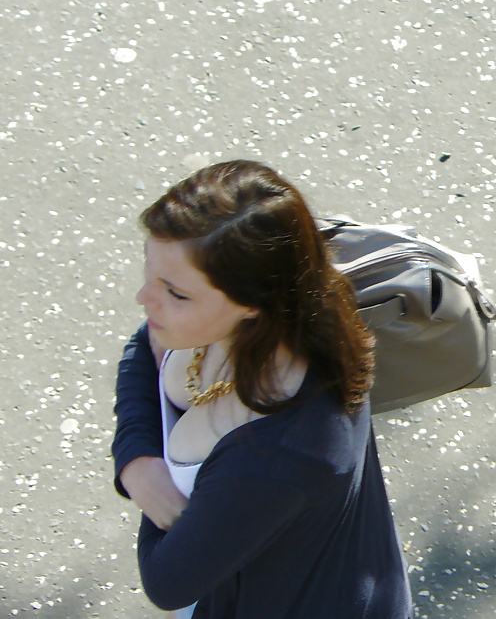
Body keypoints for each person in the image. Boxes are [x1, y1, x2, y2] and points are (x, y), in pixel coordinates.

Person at [111, 160, 413, 618]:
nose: (144, 298)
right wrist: (138, 461)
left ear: (254, 302)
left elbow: (167, 581)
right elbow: (144, 343)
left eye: (175, 292)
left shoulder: (282, 453)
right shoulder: (287, 306)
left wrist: (167, 501)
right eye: (150, 273)